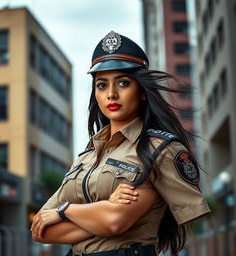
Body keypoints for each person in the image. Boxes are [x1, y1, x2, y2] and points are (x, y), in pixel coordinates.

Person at [31, 31, 211, 256]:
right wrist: (100, 211)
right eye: (102, 85)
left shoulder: (158, 150)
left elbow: (115, 222)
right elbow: (41, 230)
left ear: (142, 92)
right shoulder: (87, 156)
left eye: (123, 83)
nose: (112, 94)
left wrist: (64, 211)